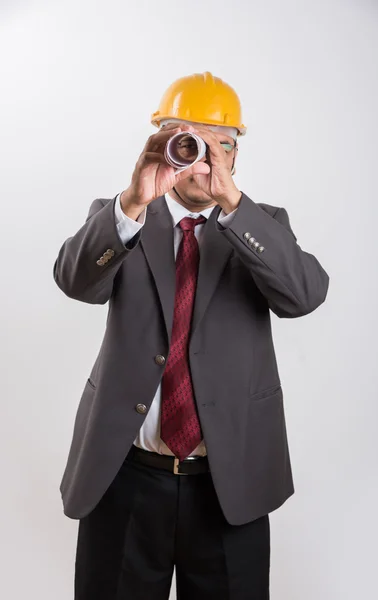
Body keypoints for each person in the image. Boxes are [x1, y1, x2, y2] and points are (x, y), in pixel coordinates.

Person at [54, 71, 329, 600]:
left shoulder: (261, 226)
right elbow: (75, 282)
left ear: (235, 152)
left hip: (229, 482)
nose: (204, 157)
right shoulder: (123, 217)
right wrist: (133, 199)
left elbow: (303, 296)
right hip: (124, 475)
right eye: (189, 141)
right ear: (165, 144)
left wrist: (232, 202)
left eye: (219, 145)